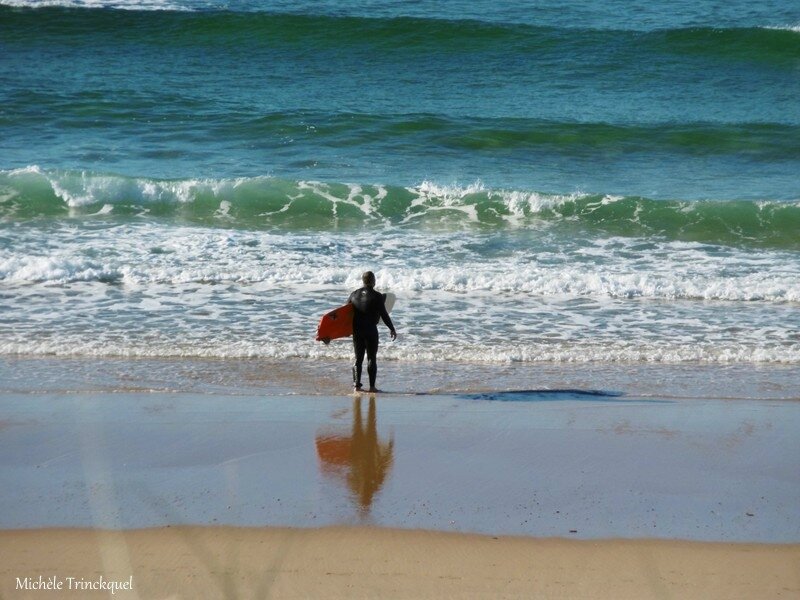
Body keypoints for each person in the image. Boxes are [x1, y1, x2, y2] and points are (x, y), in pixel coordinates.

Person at [348, 271, 396, 392]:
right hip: (370, 330)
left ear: (363, 281)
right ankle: (372, 387)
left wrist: (341, 331)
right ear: (373, 281)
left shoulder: (353, 295)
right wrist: (392, 328)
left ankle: (356, 386)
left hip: (357, 330)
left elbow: (345, 314)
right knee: (371, 358)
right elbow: (384, 315)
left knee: (358, 359)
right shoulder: (377, 296)